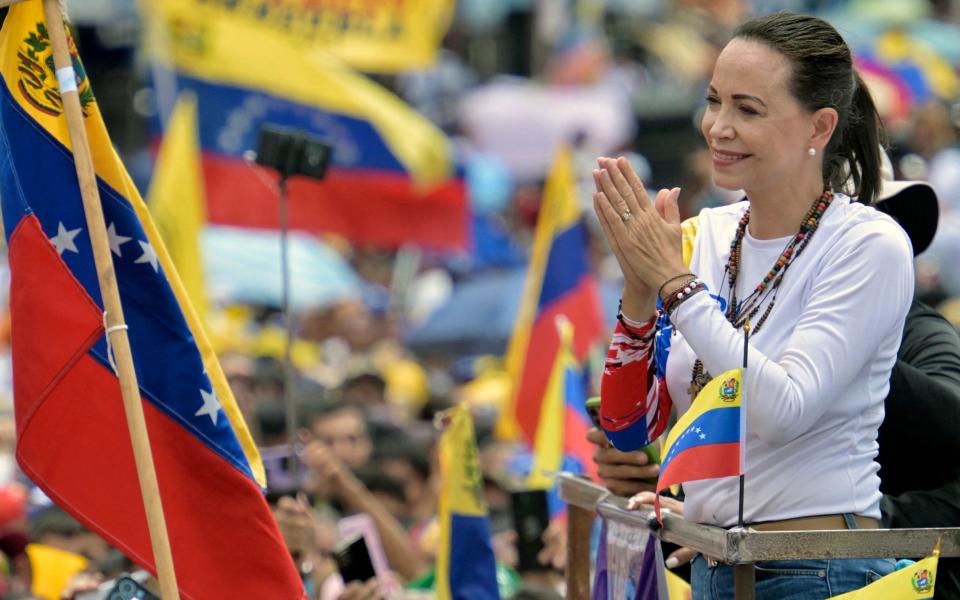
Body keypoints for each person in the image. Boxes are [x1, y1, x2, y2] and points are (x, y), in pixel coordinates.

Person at [592, 11, 913, 599]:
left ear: (819, 127)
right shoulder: (703, 234)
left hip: (822, 569)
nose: (718, 126)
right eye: (713, 101)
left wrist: (674, 286)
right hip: (719, 564)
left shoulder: (869, 244)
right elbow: (629, 427)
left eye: (748, 109)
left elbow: (783, 410)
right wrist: (639, 290)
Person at [592, 178, 960, 598]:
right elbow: (631, 427)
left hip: (833, 560)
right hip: (734, 561)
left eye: (840, 220)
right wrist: (695, 501)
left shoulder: (918, 326)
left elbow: (783, 415)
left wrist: (858, 355)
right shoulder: (736, 284)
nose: (816, 245)